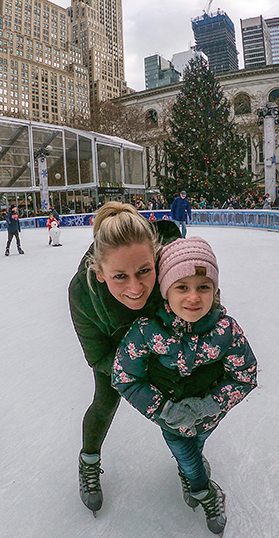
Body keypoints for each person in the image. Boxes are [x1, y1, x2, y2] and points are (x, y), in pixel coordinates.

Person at [111, 237, 257, 536]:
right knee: (188, 459)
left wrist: (212, 405)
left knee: (197, 445)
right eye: (182, 287)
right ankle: (206, 492)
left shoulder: (225, 330)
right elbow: (124, 377)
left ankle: (192, 469)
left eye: (203, 287)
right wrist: (162, 408)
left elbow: (245, 374)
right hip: (171, 421)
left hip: (210, 418)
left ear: (214, 291)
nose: (193, 297)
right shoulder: (147, 331)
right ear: (165, 291)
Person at [68, 202, 181, 516]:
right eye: (120, 276)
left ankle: (188, 461)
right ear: (100, 273)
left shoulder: (173, 268)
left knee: (179, 402)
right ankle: (88, 460)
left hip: (166, 346)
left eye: (144, 271)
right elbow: (98, 356)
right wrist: (135, 368)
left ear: (156, 257)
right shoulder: (82, 293)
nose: (135, 288)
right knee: (104, 402)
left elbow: (202, 300)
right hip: (115, 355)